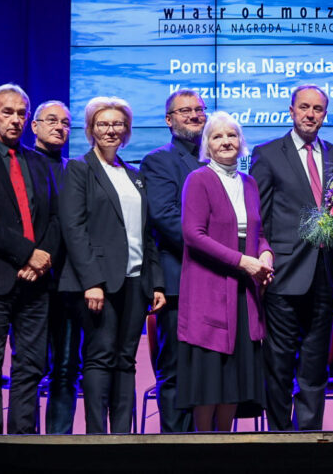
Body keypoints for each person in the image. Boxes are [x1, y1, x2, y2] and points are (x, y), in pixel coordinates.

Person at [59, 96, 166, 434]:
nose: (111, 130)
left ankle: (123, 437)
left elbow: (146, 233)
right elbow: (73, 229)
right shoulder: (79, 168)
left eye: (117, 124)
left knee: (126, 360)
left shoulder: (134, 175)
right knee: (100, 356)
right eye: (103, 124)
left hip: (136, 280)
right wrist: (91, 280)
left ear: (127, 130)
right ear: (91, 129)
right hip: (99, 283)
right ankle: (96, 438)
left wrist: (157, 282)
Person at [250, 84, 333, 431]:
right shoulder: (267, 154)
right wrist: (261, 264)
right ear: (291, 110)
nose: (310, 114)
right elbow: (258, 217)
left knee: (314, 364)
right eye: (304, 107)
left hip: (325, 275)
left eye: (318, 109)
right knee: (278, 363)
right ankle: (279, 437)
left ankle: (309, 438)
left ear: (325, 114)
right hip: (283, 273)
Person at [0, 84, 60, 434]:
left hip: (37, 282)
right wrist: (27, 253)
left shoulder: (38, 162)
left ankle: (21, 440)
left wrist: (43, 257)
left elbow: (54, 217)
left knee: (31, 365)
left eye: (22, 113)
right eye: (8, 112)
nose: (16, 120)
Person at [178, 111, 273, 431]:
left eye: (231, 135)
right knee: (210, 379)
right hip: (210, 289)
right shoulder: (199, 179)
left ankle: (226, 447)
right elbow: (193, 234)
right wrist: (241, 261)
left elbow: (258, 232)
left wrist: (265, 254)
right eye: (217, 136)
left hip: (244, 294)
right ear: (207, 145)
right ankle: (203, 448)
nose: (226, 141)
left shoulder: (249, 183)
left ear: (241, 142)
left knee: (234, 375)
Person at [140, 89, 207, 432]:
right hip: (180, 282)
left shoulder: (217, 161)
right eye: (185, 111)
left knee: (210, 373)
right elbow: (166, 218)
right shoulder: (158, 160)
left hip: (217, 286)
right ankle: (174, 450)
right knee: (178, 370)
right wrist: (220, 253)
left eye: (199, 110)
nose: (194, 115)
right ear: (169, 120)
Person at [31, 100, 80, 434]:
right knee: (31, 366)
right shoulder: (21, 163)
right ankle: (24, 440)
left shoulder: (73, 170)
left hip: (66, 282)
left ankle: (58, 440)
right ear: (34, 125)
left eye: (65, 122)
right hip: (29, 280)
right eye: (51, 120)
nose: (59, 127)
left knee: (65, 366)